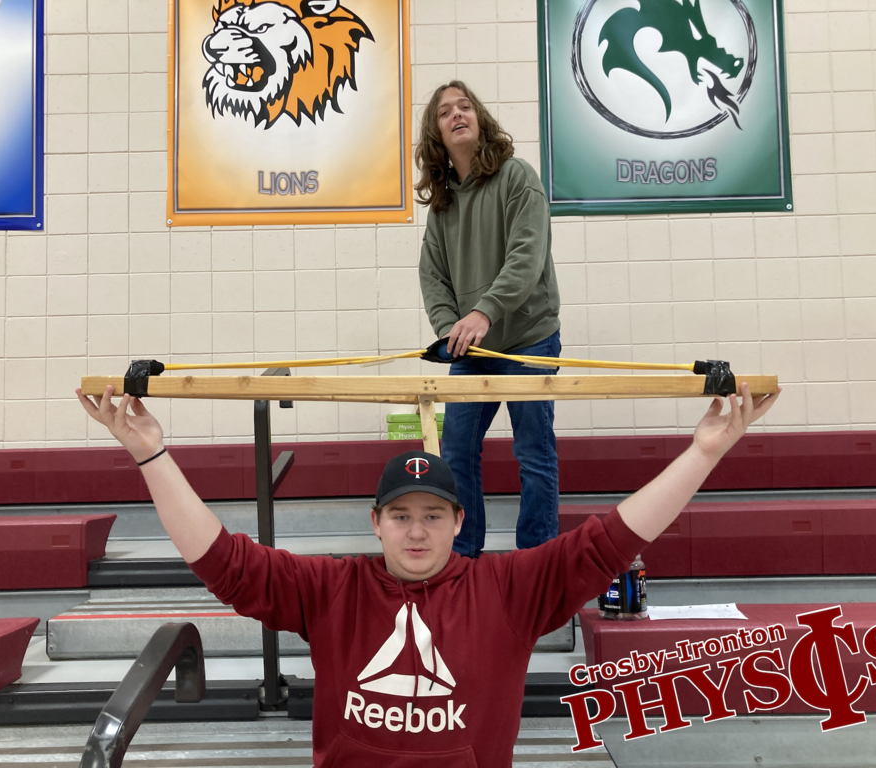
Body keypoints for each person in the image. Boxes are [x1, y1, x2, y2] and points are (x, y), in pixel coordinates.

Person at [75, 382, 779, 768]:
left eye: (433, 516)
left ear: (459, 521)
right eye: (402, 515)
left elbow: (610, 542)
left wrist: (705, 453)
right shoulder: (333, 590)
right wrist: (151, 455)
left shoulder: (507, 591)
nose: (417, 531)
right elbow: (223, 562)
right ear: (375, 523)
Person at [416, 81, 562, 558]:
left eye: (465, 107)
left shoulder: (518, 177)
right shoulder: (442, 205)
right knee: (455, 453)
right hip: (472, 349)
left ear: (480, 120)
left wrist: (484, 311)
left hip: (529, 339)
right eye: (445, 112)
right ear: (437, 133)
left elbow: (526, 257)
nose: (457, 114)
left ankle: (536, 564)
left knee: (533, 454)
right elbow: (432, 274)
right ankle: (463, 560)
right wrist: (448, 329)